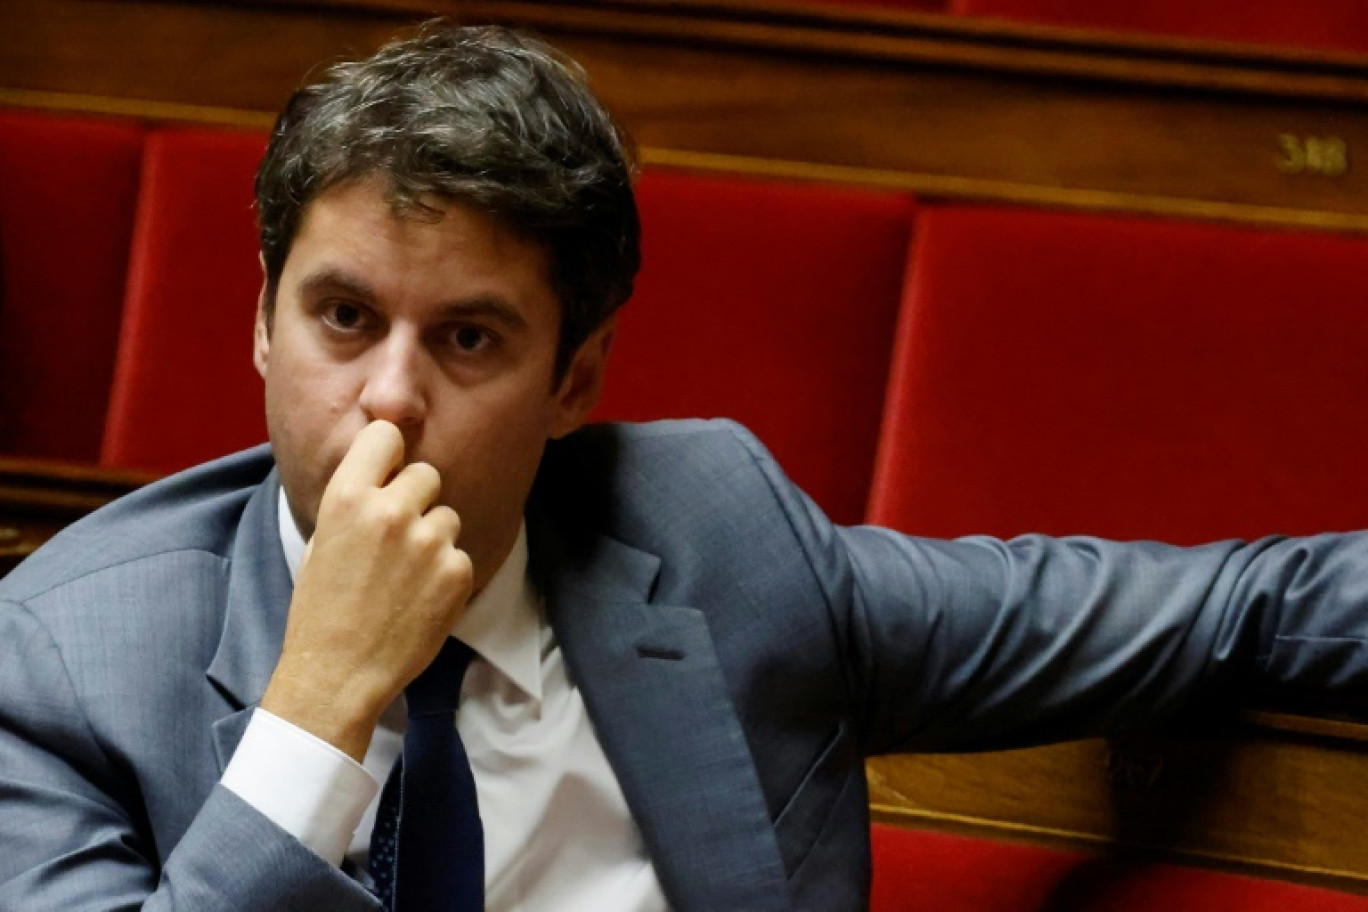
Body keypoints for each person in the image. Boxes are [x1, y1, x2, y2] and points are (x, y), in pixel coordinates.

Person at [2, 20, 1368, 912]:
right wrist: (317, 712)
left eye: (468, 338)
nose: (389, 401)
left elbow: (1222, 612)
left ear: (575, 381)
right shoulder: (63, 664)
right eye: (343, 318)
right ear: (259, 317)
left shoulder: (719, 540)